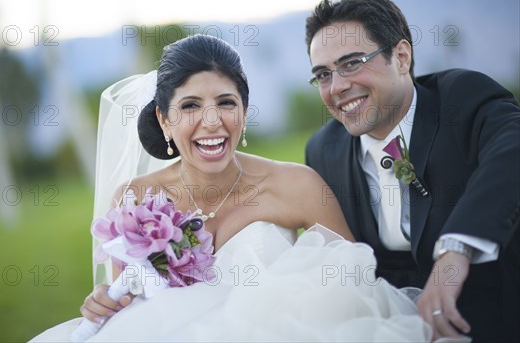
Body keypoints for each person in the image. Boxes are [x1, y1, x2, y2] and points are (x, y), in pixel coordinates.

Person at [30, 34, 431, 342]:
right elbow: (132, 306)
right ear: (164, 119)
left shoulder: (296, 185)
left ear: (243, 110)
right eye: (189, 106)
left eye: (226, 102)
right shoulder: (136, 201)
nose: (211, 122)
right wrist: (106, 301)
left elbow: (354, 282)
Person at [304, 0, 520, 342]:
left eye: (352, 63)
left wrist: (456, 251)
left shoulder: (463, 99)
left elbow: (512, 153)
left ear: (401, 57)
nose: (338, 86)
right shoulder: (322, 151)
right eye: (323, 75)